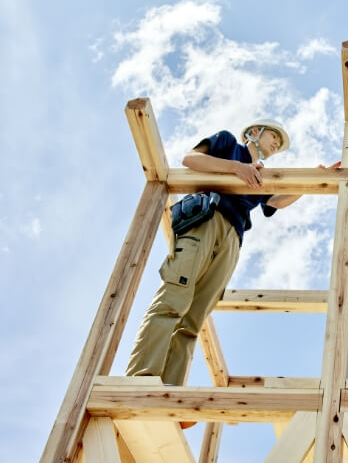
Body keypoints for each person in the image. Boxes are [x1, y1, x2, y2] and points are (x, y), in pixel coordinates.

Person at [126, 119, 305, 390]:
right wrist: (237, 168)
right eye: (273, 136)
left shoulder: (261, 175)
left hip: (233, 237)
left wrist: (312, 180)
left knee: (194, 318)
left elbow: (275, 202)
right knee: (174, 297)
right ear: (254, 132)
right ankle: (140, 380)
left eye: (279, 143)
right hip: (207, 218)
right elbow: (191, 159)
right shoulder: (227, 143)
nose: (276, 144)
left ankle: (171, 392)